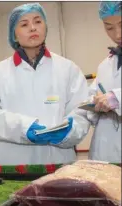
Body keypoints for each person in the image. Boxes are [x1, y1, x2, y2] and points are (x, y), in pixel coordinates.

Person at [0, 3, 90, 165]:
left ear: (45, 27)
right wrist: (24, 128)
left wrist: (69, 132)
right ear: (14, 35)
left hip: (58, 160)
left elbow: (81, 112)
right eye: (24, 24)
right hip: (13, 163)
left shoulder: (68, 69)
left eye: (38, 22)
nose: (32, 28)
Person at [71, 2, 121, 163]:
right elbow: (91, 98)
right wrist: (94, 103)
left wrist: (117, 98)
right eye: (109, 27)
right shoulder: (105, 64)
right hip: (104, 151)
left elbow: (113, 98)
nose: (117, 34)